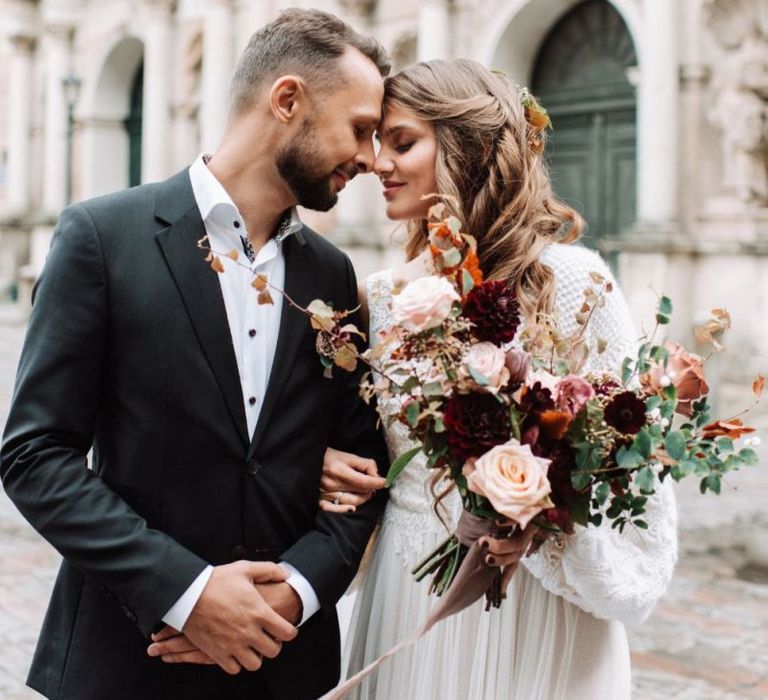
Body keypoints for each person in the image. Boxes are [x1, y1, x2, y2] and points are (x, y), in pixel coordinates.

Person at [0, 9, 391, 700]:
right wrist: (187, 591)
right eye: (360, 128)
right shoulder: (101, 238)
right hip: (127, 660)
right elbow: (36, 456)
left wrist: (295, 593)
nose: (370, 157)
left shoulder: (335, 277)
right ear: (288, 99)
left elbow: (362, 476)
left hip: (286, 666)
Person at [318, 59, 679, 699]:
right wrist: (328, 464)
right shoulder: (375, 298)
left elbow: (632, 468)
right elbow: (364, 448)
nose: (378, 164)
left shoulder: (574, 280)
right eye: (378, 146)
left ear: (468, 147)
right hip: (411, 591)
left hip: (539, 608)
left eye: (402, 143)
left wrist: (542, 520)